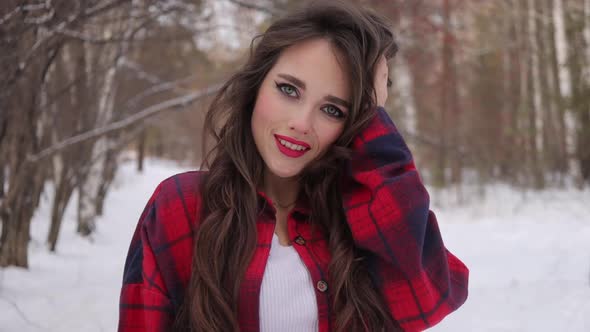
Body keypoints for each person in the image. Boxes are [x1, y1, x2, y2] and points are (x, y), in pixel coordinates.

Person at [118, 1, 469, 331]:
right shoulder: (180, 206)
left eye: (333, 110)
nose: (302, 123)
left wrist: (374, 110)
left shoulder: (358, 221)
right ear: (257, 86)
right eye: (288, 89)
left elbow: (426, 300)